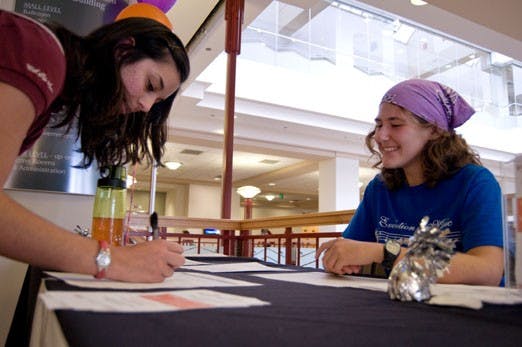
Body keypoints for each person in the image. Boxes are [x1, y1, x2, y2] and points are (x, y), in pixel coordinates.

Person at [0, 9, 190, 282]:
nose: (145, 107)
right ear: (123, 49)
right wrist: (115, 260)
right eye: (150, 84)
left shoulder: (54, 84)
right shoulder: (39, 51)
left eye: (157, 101)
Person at [316, 79, 504, 286]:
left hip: (467, 312)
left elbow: (488, 271)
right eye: (379, 125)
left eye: (395, 124)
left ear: (434, 130)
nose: (380, 135)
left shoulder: (475, 183)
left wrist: (385, 253)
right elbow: (353, 249)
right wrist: (340, 259)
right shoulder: (380, 188)